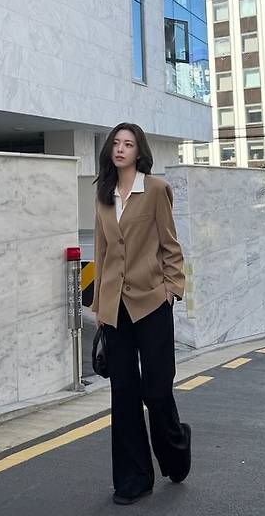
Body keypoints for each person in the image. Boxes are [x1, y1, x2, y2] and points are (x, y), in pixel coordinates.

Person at [91, 122, 191, 505]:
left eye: (128, 144)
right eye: (116, 143)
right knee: (124, 393)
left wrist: (171, 289)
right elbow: (102, 253)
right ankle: (133, 479)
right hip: (115, 308)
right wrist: (100, 305)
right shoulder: (103, 195)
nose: (120, 149)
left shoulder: (155, 190)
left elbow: (171, 246)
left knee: (156, 390)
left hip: (152, 302)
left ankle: (176, 450)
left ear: (139, 151)